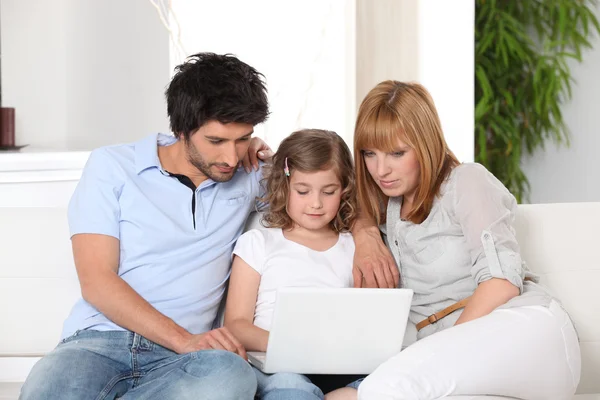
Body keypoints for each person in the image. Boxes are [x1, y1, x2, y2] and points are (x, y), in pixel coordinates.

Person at [19, 52, 273, 400]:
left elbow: (334, 189)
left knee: (231, 378)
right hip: (98, 344)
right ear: (181, 130)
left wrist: (366, 236)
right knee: (50, 387)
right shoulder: (112, 166)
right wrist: (184, 339)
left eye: (242, 138)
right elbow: (97, 280)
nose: (230, 157)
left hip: (187, 362)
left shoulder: (250, 173)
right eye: (216, 141)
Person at [327, 81, 581, 400]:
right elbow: (329, 196)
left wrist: (432, 356)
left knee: (381, 388)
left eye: (397, 153)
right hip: (456, 365)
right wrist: (365, 235)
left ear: (426, 143)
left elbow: (502, 282)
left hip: (523, 332)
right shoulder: (386, 202)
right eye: (369, 154)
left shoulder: (466, 181)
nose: (381, 169)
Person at [224, 129, 359, 400]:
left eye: (328, 191)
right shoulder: (259, 243)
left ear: (343, 190)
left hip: (338, 365)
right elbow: (236, 324)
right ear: (284, 186)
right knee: (291, 389)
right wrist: (286, 345)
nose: (316, 203)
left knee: (386, 385)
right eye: (303, 191)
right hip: (275, 364)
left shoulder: (353, 246)